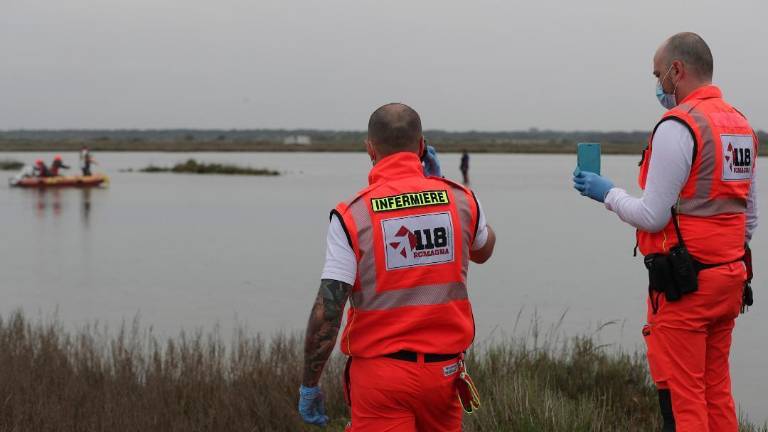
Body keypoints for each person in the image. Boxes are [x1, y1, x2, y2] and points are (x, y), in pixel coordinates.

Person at [572, 32, 757, 432]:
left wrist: (608, 193)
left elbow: (653, 216)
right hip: (730, 279)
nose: (658, 86)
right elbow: (750, 217)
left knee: (685, 396)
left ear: (678, 70)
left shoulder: (678, 125)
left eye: (658, 75)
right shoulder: (741, 126)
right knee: (717, 389)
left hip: (685, 285)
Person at [298, 103, 496, 431]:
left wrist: (309, 384)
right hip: (444, 375)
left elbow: (328, 310)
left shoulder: (352, 215)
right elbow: (484, 250)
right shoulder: (462, 200)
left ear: (370, 149)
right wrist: (438, 186)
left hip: (381, 379)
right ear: (421, 147)